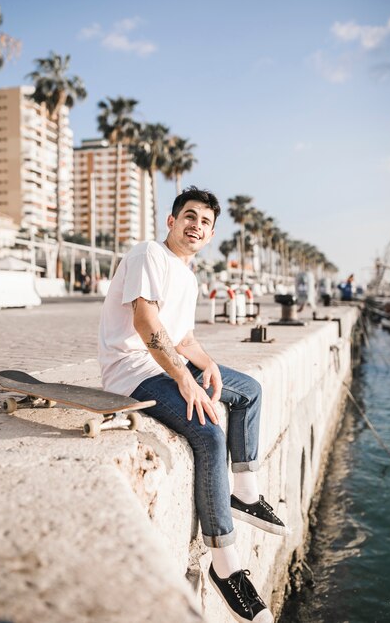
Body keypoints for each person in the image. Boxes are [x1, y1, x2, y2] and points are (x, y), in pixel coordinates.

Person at [98, 186, 289, 623]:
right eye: (188, 216)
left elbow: (181, 336)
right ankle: (227, 565)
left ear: (211, 233)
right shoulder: (150, 254)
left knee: (249, 391)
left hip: (168, 364)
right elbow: (146, 322)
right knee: (208, 432)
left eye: (205, 222)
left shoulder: (189, 275)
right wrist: (186, 377)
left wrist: (207, 365)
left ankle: (245, 493)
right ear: (171, 221)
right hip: (134, 372)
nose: (195, 226)